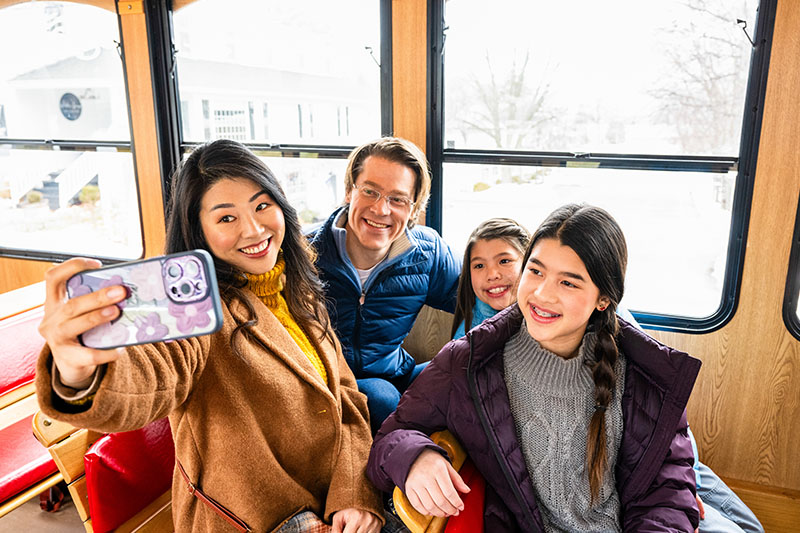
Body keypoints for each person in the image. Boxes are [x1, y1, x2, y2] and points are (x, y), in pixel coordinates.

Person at [35, 140, 385, 532]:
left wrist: (354, 495)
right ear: (197, 231)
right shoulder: (195, 315)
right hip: (253, 519)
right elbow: (155, 372)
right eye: (226, 218)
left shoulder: (297, 288)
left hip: (331, 502)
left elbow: (347, 396)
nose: (253, 229)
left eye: (262, 206)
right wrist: (78, 373)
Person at [368, 203, 702, 532]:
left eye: (568, 283)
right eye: (536, 271)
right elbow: (389, 439)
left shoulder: (645, 376)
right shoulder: (468, 362)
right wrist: (415, 457)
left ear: (603, 299)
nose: (542, 294)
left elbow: (668, 491)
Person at [309, 137, 460, 433]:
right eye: (370, 191)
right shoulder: (305, 252)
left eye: (398, 199)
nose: (381, 209)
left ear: (413, 209)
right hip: (327, 385)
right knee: (380, 397)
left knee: (459, 374)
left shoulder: (427, 252)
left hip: (396, 373)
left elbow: (473, 298)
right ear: (349, 191)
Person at [451, 217, 530, 340]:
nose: (492, 275)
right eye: (479, 266)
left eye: (504, 261)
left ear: (528, 262)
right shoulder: (466, 337)